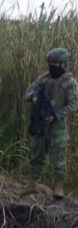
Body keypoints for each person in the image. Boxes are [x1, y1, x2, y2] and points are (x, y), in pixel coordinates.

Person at [22, 47, 78, 199]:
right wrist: (34, 97)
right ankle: (32, 183)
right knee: (37, 154)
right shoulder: (44, 78)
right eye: (50, 63)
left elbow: (73, 105)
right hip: (40, 123)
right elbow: (27, 93)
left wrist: (56, 115)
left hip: (57, 126)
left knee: (59, 158)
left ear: (63, 64)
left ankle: (59, 186)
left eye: (55, 63)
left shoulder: (69, 82)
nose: (52, 66)